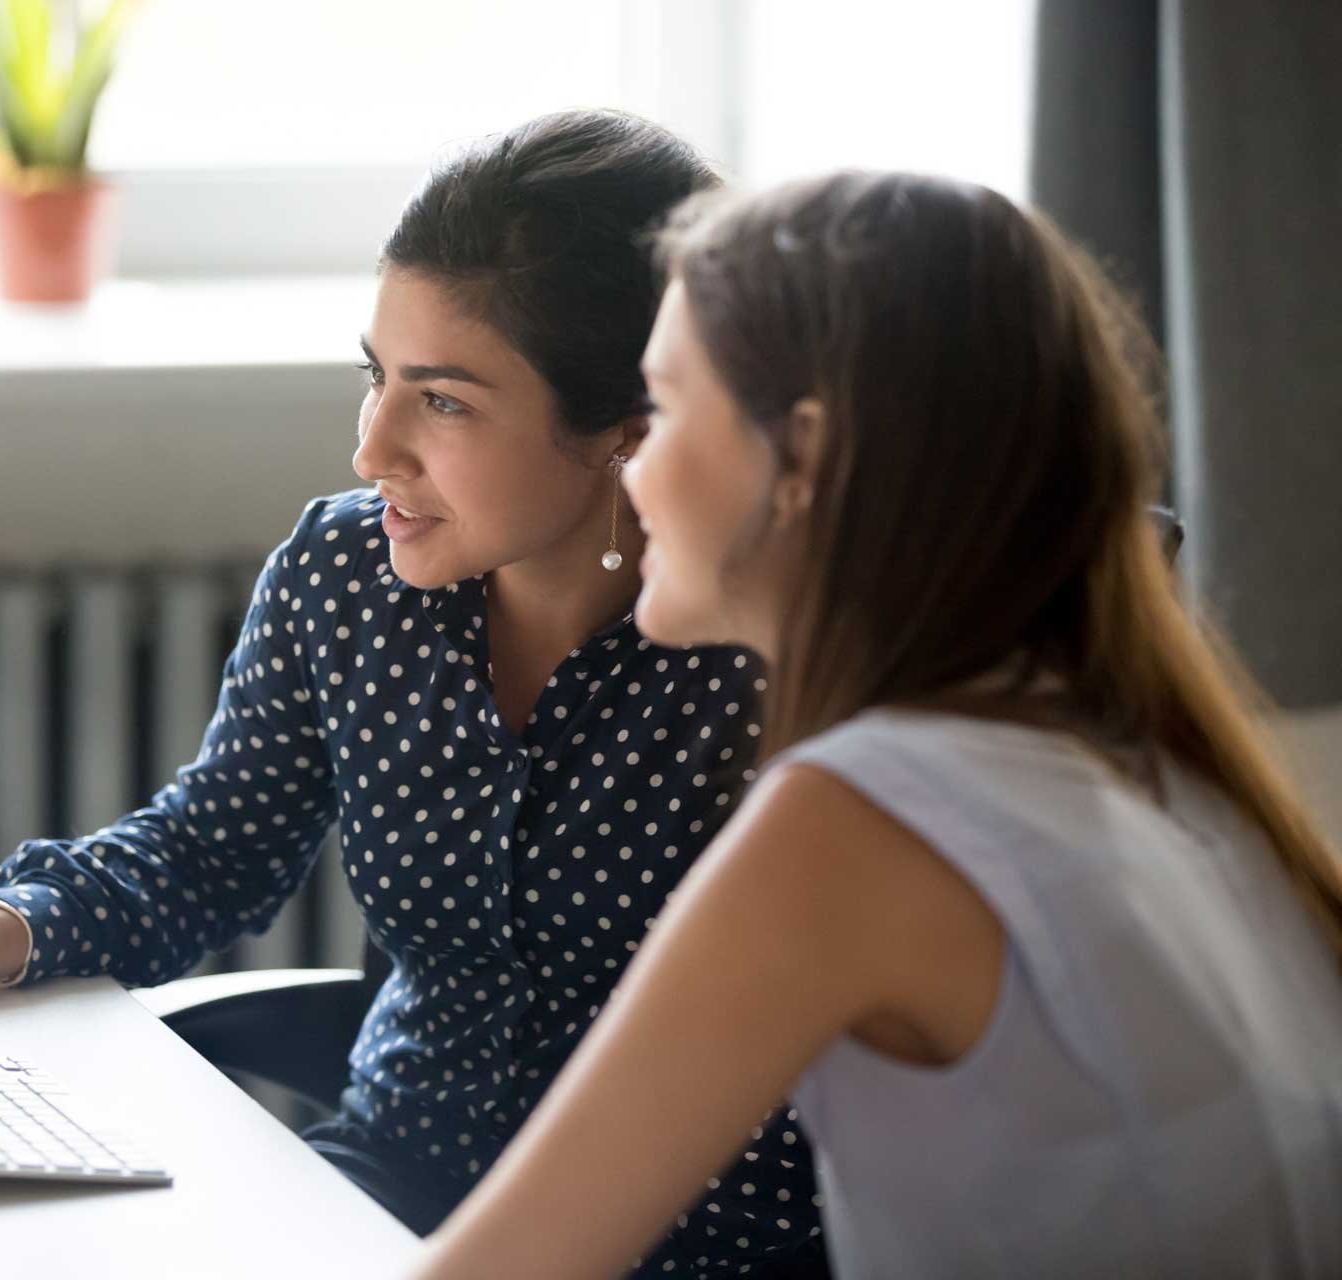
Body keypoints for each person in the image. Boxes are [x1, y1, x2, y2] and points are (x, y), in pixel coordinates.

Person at [0, 110, 828, 1276]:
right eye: (377, 376)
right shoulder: (349, 575)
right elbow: (212, 845)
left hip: (704, 1248)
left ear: (627, 429)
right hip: (387, 1186)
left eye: (443, 401)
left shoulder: (764, 649)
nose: (373, 448)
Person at [412, 169, 1342, 1279]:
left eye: (664, 407)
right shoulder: (1142, 764)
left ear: (799, 458)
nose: (635, 465)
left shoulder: (853, 827)